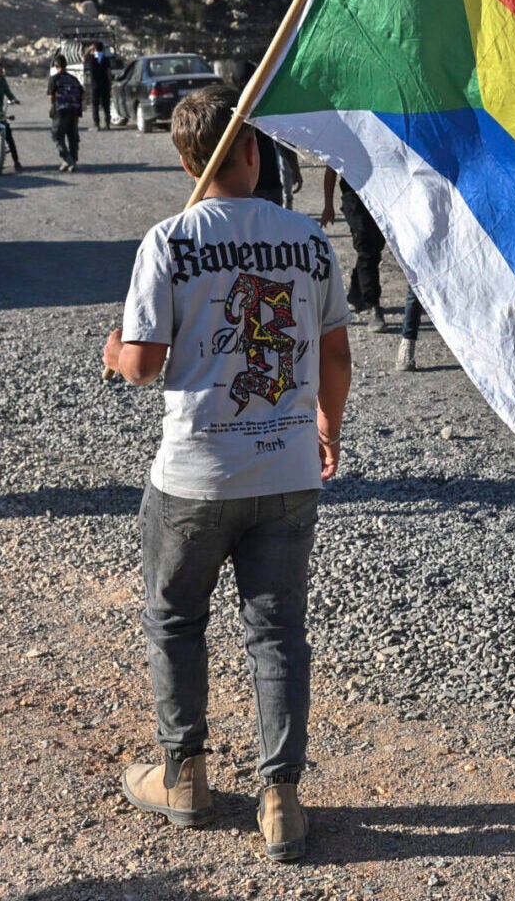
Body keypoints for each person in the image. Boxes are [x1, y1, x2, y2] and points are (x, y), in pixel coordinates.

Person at [103, 85, 351, 864]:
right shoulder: (309, 241)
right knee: (277, 631)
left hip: (196, 473)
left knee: (176, 620)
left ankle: (186, 777)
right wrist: (326, 427)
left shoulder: (168, 241)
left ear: (186, 160)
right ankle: (281, 799)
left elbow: (142, 366)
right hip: (285, 464)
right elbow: (336, 354)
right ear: (252, 153)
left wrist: (114, 352)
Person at [319, 167, 392, 333]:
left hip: (381, 194)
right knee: (366, 248)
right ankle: (374, 305)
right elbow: (331, 168)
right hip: (354, 197)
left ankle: (356, 290)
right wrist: (328, 205)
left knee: (375, 248)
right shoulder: (346, 139)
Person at [47, 55, 85, 170]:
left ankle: (68, 159)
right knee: (72, 137)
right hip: (74, 111)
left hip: (61, 111)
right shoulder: (73, 79)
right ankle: (71, 161)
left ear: (56, 66)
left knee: (57, 136)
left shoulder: (54, 79)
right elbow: (82, 94)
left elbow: (51, 97)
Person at [85, 41, 117, 130]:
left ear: (94, 49)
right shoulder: (106, 59)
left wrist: (89, 49)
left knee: (95, 105)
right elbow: (108, 73)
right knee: (106, 105)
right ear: (102, 49)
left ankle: (97, 124)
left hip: (94, 85)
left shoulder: (91, 58)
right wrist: (110, 84)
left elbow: (83, 58)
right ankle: (107, 124)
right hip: (104, 84)